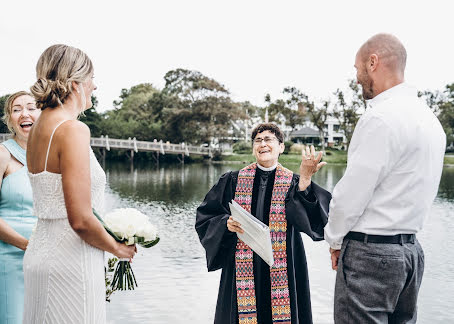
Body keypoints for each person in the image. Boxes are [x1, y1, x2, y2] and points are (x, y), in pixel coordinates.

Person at [324, 33, 446, 323]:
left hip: (371, 256)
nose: (356, 79)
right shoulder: (430, 121)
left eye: (357, 69)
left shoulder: (380, 118)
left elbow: (350, 196)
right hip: (410, 254)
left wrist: (334, 240)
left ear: (373, 62)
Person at [23, 44, 136, 324]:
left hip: (41, 252)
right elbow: (81, 219)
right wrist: (117, 248)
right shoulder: (73, 129)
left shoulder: (37, 129)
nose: (94, 86)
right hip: (71, 259)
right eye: (91, 78)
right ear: (75, 84)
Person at [196, 123, 331, 324]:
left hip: (283, 264)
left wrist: (305, 180)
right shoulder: (233, 180)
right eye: (258, 140)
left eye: (269, 140)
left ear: (281, 147)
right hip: (242, 265)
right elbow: (206, 215)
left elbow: (312, 219)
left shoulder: (293, 182)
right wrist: (226, 223)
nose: (263, 144)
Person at [0, 91, 41, 324]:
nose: (24, 113)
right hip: (9, 257)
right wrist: (27, 246)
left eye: (31, 107)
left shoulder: (52, 155)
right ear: (10, 119)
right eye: (16, 109)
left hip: (47, 261)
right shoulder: (2, 154)